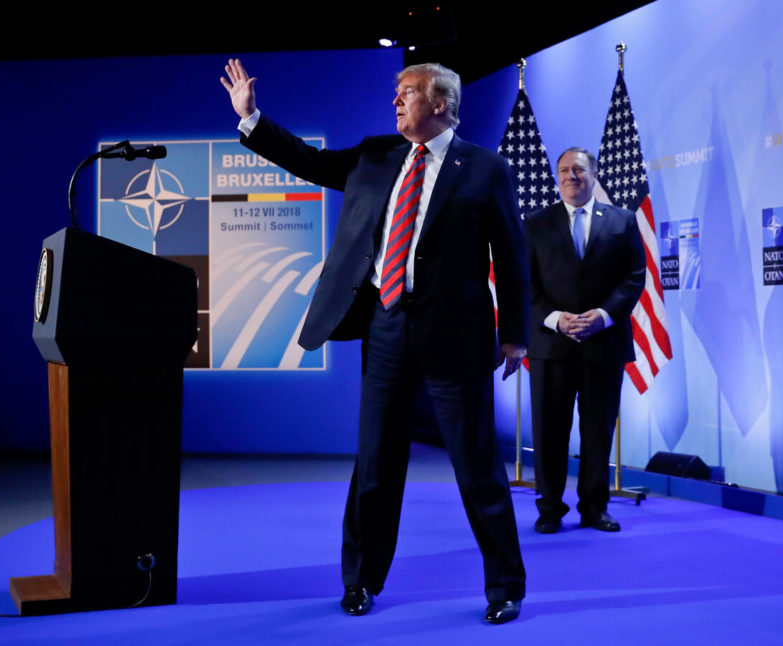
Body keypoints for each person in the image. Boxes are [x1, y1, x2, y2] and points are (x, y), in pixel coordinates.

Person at [220, 58, 529, 625]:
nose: (396, 100)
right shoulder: (376, 154)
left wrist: (514, 336)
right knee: (376, 463)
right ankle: (361, 580)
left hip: (455, 338)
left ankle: (505, 587)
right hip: (385, 328)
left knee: (477, 467)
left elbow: (511, 256)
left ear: (440, 103)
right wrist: (252, 119)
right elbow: (308, 161)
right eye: (396, 91)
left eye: (408, 92)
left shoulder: (485, 168)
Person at [523, 147, 645, 534]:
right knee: (549, 432)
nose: (570, 176)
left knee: (597, 431)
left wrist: (604, 317)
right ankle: (550, 509)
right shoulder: (535, 223)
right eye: (563, 170)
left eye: (578, 169)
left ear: (594, 175)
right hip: (551, 346)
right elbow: (525, 284)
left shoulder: (623, 221)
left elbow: (634, 277)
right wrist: (558, 320)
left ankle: (594, 508)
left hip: (603, 345)